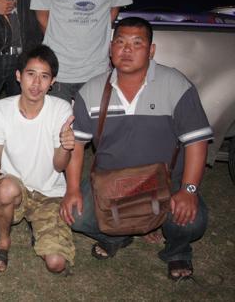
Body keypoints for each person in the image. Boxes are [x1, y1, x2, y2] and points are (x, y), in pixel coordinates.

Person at [60, 17, 211, 281]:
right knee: (76, 214)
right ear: (111, 48)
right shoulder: (92, 90)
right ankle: (117, 237)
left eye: (137, 43)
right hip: (112, 183)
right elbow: (78, 145)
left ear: (151, 50)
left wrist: (188, 190)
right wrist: (72, 189)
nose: (127, 50)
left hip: (164, 182)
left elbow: (196, 142)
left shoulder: (175, 85)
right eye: (120, 42)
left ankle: (177, 251)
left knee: (191, 219)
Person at [0, 45, 76, 273]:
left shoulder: (60, 110)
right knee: (5, 189)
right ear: (18, 76)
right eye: (31, 74)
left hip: (49, 193)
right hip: (15, 187)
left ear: (52, 81)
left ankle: (41, 229)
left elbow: (59, 165)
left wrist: (66, 146)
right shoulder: (1, 109)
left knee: (56, 264)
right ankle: (4, 241)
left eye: (44, 76)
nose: (36, 83)